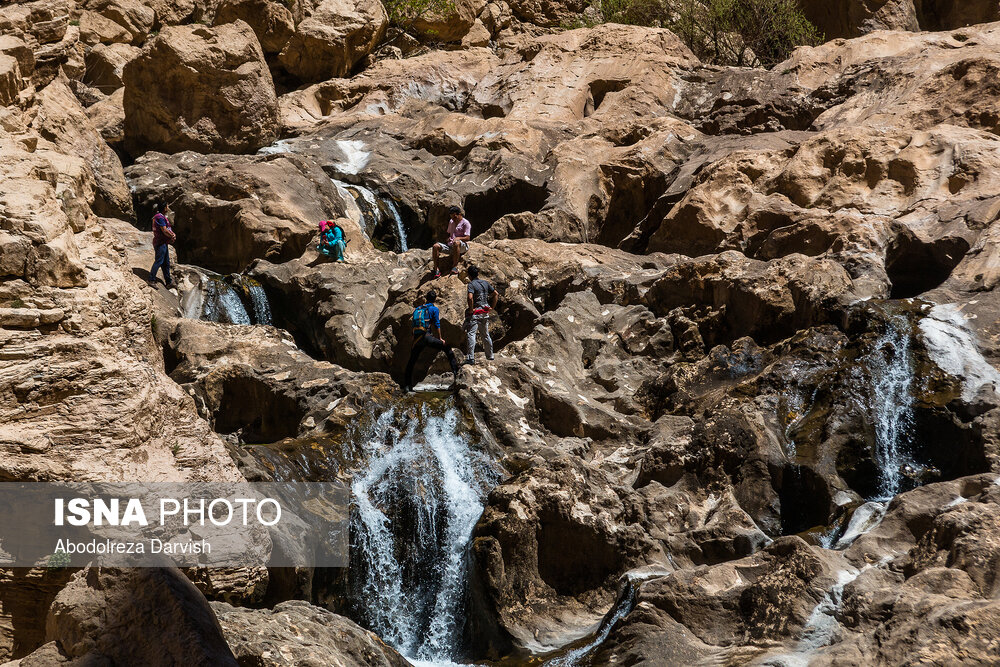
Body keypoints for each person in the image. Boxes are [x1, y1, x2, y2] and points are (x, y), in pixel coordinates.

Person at [402, 290, 459, 392]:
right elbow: (437, 324)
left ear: (426, 298)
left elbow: (414, 324)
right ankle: (456, 375)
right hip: (427, 336)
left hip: (417, 338)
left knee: (411, 361)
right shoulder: (434, 309)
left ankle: (407, 385)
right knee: (447, 349)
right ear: (435, 299)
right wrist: (440, 338)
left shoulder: (418, 309)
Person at [464, 265, 498, 365]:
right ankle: (490, 355)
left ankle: (470, 357)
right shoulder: (485, 283)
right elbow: (495, 294)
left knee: (471, 334)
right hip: (485, 312)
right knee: (485, 334)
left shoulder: (471, 284)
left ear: (469, 275)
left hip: (475, 313)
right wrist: (492, 307)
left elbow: (470, 298)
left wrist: (470, 309)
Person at [431, 206, 471, 278]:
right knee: (435, 246)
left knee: (456, 243)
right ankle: (436, 269)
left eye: (455, 217)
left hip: (461, 246)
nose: (453, 219)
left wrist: (458, 238)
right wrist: (448, 239)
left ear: (459, 214)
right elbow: (449, 234)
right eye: (452, 217)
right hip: (451, 246)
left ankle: (454, 267)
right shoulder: (451, 222)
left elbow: (468, 237)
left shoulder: (466, 223)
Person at [149, 202, 175, 287]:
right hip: (160, 243)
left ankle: (168, 282)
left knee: (166, 263)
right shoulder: (159, 217)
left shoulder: (161, 216)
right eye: (167, 206)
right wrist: (172, 236)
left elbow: (166, 229)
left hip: (163, 242)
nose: (168, 208)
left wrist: (172, 235)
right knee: (159, 261)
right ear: (164, 208)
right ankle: (151, 279)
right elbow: (164, 230)